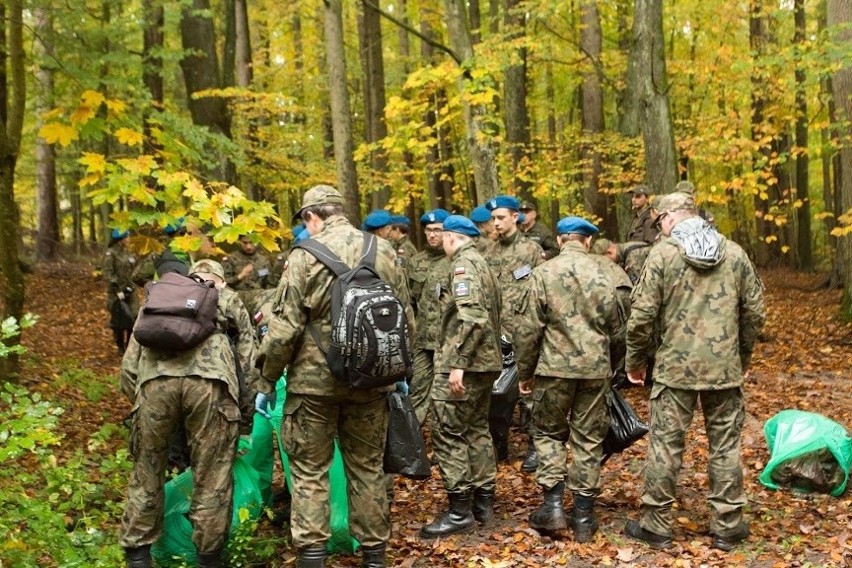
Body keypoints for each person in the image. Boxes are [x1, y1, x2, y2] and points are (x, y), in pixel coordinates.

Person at [255, 185, 413, 568]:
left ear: (312, 216)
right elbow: (406, 317)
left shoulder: (303, 256)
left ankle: (313, 558)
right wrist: (400, 372)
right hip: (372, 381)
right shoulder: (383, 250)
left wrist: (265, 381)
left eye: (305, 222)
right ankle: (375, 559)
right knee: (367, 469)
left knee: (310, 472)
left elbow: (284, 330)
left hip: (313, 386)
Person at [623, 192, 766, 551]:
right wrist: (741, 357)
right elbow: (754, 312)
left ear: (671, 216)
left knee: (666, 446)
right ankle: (728, 525)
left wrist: (635, 362)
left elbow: (641, 315)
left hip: (675, 369)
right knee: (725, 446)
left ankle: (656, 525)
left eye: (660, 222)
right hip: (723, 367)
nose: (660, 228)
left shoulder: (663, 254)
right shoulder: (732, 252)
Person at [119, 259, 260, 568]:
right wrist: (244, 415)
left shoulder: (157, 298)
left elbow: (129, 369)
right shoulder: (227, 297)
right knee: (212, 477)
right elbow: (248, 360)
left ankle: (138, 558)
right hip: (211, 385)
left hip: (154, 384)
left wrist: (142, 405)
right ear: (219, 280)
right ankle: (208, 560)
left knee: (147, 472)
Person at [513, 217, 624, 543]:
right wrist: (613, 366)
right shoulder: (605, 273)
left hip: (553, 370)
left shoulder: (543, 274)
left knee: (548, 433)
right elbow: (618, 329)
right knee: (589, 439)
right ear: (587, 241)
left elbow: (528, 330)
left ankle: (553, 507)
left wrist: (525, 372)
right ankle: (585, 517)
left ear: (561, 240)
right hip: (594, 370)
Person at [420, 215, 502, 538]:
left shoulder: (463, 267)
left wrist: (459, 363)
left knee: (447, 431)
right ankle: (483, 503)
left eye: (443, 237)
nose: (439, 242)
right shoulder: (483, 264)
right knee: (476, 428)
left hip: (465, 365)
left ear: (452, 238)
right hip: (485, 363)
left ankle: (459, 511)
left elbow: (474, 317)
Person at [485, 195, 545, 472]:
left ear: (515, 217)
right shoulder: (489, 252)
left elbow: (542, 289)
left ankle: (535, 447)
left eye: (500, 217)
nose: (496, 223)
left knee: (531, 393)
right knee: (496, 393)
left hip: (526, 330)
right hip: (498, 333)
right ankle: (499, 446)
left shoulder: (531, 250)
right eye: (493, 218)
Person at [406, 209, 451, 426]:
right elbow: (408, 302)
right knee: (417, 392)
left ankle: (445, 439)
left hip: (447, 341)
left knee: (447, 398)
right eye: (429, 230)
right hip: (422, 341)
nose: (432, 235)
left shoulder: (456, 260)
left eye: (438, 230)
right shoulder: (415, 262)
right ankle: (412, 447)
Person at [104, 229, 139, 355]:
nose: (129, 239)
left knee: (133, 317)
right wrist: (117, 290)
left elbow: (133, 270)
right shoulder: (111, 254)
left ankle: (129, 345)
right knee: (119, 320)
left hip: (130, 291)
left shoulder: (128, 252)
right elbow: (108, 274)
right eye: (127, 237)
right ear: (121, 239)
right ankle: (120, 346)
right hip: (116, 293)